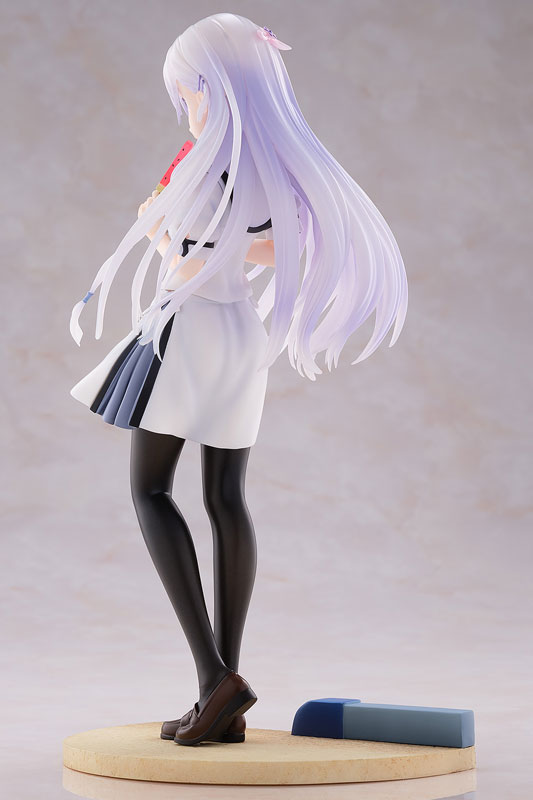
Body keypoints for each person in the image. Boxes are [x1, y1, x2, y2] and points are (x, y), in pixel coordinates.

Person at [68, 12, 408, 746]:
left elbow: (188, 257)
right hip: (238, 336)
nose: (185, 107)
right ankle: (219, 699)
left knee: (150, 491)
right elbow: (271, 250)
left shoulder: (203, 166)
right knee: (226, 498)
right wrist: (200, 237)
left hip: (188, 327)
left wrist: (159, 227)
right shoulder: (272, 169)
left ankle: (212, 676)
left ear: (213, 89)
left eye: (189, 92)